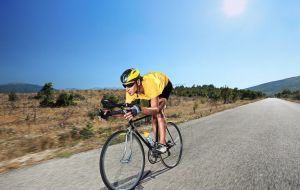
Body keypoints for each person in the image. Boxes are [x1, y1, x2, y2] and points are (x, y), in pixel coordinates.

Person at [120, 68, 173, 153]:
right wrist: (109, 113)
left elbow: (155, 110)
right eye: (124, 86)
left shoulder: (150, 84)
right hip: (150, 92)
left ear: (138, 82)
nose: (127, 89)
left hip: (164, 85)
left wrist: (139, 109)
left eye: (129, 85)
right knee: (153, 117)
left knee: (158, 113)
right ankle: (157, 143)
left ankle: (162, 144)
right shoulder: (129, 91)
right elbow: (127, 111)